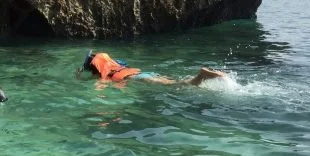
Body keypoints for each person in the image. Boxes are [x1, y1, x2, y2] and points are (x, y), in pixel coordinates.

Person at [77, 51, 225, 86]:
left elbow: (99, 85)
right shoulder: (114, 65)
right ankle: (200, 76)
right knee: (177, 81)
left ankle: (201, 75)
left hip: (139, 78)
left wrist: (78, 78)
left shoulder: (103, 75)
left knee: (177, 86)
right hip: (144, 73)